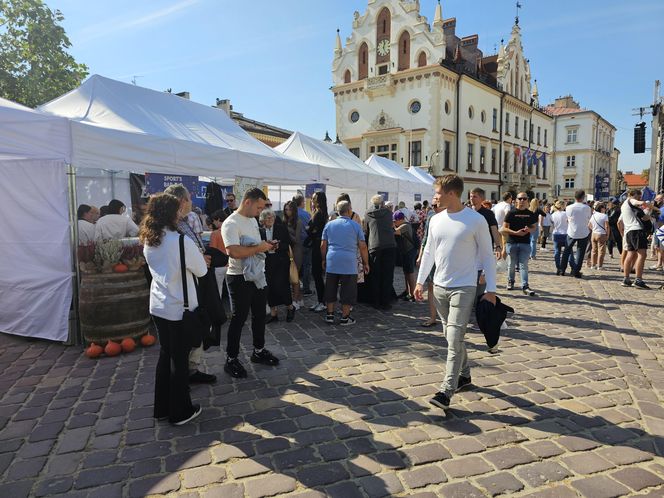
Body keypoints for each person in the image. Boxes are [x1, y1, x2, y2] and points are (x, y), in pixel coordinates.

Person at [414, 174, 496, 410]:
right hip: (439, 287)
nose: (434, 197)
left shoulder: (475, 220)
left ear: (451, 194)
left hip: (465, 286)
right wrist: (420, 282)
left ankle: (446, 390)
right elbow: (429, 251)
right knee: (453, 337)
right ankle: (465, 375)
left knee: (453, 338)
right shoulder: (435, 220)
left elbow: (488, 256)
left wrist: (491, 289)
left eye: (437, 193)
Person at [140, 193, 208, 425]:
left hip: (158, 305)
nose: (181, 213)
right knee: (179, 360)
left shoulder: (150, 239)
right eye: (178, 209)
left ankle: (162, 408)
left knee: (165, 355)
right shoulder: (180, 241)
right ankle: (180, 411)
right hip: (180, 307)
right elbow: (202, 271)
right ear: (171, 213)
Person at [221, 188, 280, 377]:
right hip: (238, 277)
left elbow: (254, 246)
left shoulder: (253, 220)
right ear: (248, 202)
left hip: (256, 275)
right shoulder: (231, 223)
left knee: (259, 315)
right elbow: (234, 252)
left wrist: (266, 246)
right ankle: (231, 359)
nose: (261, 211)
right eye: (259, 206)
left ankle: (258, 351)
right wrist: (260, 248)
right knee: (238, 319)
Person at [164, 184, 217, 384]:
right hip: (184, 288)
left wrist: (201, 257)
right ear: (182, 201)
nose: (192, 203)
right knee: (190, 329)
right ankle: (185, 372)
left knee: (200, 324)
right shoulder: (171, 229)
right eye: (190, 198)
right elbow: (178, 258)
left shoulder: (184, 221)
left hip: (194, 283)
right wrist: (200, 261)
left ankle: (192, 369)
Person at [321, 200, 369, 325]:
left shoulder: (329, 225)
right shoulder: (355, 225)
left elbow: (323, 245)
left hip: (332, 259)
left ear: (338, 211)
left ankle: (330, 315)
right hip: (349, 262)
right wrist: (365, 262)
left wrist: (323, 259)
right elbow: (363, 246)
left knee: (330, 288)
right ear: (349, 210)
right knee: (347, 290)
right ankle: (345, 317)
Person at [260, 209, 295, 323]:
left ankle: (290, 307)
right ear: (263, 220)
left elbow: (288, 244)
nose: (271, 220)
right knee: (270, 287)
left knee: (282, 285)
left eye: (272, 218)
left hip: (281, 261)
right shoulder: (260, 231)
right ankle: (273, 313)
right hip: (267, 262)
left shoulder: (281, 228)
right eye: (268, 218)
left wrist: (278, 245)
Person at [364, 194, 397, 310]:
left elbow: (366, 231)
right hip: (389, 245)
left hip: (374, 246)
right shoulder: (388, 213)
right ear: (382, 203)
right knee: (387, 275)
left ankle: (375, 301)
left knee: (375, 275)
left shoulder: (367, 214)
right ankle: (385, 301)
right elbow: (391, 227)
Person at [502, 192, 538, 295]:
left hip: (525, 243)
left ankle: (525, 286)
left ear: (527, 200)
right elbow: (504, 228)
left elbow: (534, 227)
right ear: (516, 200)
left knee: (524, 265)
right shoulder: (511, 212)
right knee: (511, 265)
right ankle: (510, 281)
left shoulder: (530, 214)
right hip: (512, 242)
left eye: (524, 199)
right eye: (520, 198)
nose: (522, 200)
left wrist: (528, 229)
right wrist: (515, 232)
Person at [416, 191, 443, 327]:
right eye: (432, 205)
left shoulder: (452, 216)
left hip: (445, 259)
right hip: (432, 256)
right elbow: (425, 238)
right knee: (431, 287)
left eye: (436, 204)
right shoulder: (431, 217)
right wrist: (421, 255)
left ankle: (447, 318)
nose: (434, 207)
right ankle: (433, 317)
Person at [469, 188, 502, 296]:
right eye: (470, 196)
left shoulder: (488, 213)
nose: (472, 198)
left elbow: (494, 230)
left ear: (482, 198)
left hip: (483, 248)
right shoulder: (466, 212)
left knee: (481, 275)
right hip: (469, 248)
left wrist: (498, 246)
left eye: (475, 196)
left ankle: (478, 298)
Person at [620, 189, 652, 288]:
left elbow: (645, 218)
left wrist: (649, 213)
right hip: (637, 230)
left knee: (630, 254)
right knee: (642, 254)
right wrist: (646, 204)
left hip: (629, 231)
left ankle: (626, 279)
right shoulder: (631, 200)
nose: (640, 198)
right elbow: (639, 202)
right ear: (634, 195)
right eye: (639, 196)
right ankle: (638, 279)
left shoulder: (624, 205)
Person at [560, 190, 592, 279]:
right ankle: (576, 271)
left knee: (566, 251)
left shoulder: (569, 207)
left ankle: (562, 270)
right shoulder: (587, 208)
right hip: (583, 232)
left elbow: (567, 218)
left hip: (572, 231)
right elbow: (589, 218)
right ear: (583, 197)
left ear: (575, 197)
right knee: (580, 253)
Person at [307, 191, 328, 312]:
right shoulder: (318, 212)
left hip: (317, 245)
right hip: (316, 244)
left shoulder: (319, 213)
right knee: (317, 275)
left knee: (317, 274)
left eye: (314, 198)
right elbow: (311, 229)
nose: (312, 199)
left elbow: (311, 229)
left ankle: (322, 301)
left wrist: (311, 230)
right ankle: (320, 300)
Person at [209, 210, 232, 313]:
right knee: (231, 291)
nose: (213, 223)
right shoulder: (230, 231)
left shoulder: (215, 234)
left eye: (214, 220)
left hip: (219, 265)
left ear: (218, 219)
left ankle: (218, 312)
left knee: (218, 289)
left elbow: (212, 249)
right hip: (231, 263)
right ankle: (233, 311)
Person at [282, 200, 303, 309]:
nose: (287, 211)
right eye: (286, 209)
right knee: (290, 277)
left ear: (294, 210)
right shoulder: (284, 221)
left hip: (296, 250)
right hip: (287, 251)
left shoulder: (298, 222)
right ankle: (298, 299)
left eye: (289, 209)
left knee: (295, 277)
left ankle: (296, 300)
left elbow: (297, 239)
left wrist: (287, 232)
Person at [394, 211, 417, 301]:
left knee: (410, 272)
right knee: (406, 272)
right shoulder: (404, 224)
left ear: (400, 219)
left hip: (410, 251)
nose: (394, 223)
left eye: (395, 221)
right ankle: (408, 292)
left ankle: (413, 294)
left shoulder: (405, 225)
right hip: (406, 251)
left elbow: (395, 232)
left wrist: (391, 225)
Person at [294, 194, 312, 296]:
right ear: (301, 203)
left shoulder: (292, 213)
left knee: (295, 266)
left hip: (295, 244)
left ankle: (294, 287)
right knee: (307, 266)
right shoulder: (306, 214)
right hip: (306, 243)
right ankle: (306, 288)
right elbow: (309, 228)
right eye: (304, 202)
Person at [551, 200, 575, 275]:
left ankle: (559, 268)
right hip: (566, 234)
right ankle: (573, 267)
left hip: (556, 234)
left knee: (557, 252)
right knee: (569, 252)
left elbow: (552, 224)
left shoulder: (553, 215)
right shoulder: (566, 214)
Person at [492, 192, 513, 260]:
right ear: (509, 198)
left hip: (496, 227)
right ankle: (502, 262)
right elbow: (508, 216)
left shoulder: (498, 204)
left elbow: (492, 212)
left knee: (499, 246)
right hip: (503, 228)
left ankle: (499, 260)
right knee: (505, 246)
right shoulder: (507, 205)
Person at [589, 202, 609, 270]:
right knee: (601, 251)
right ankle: (600, 266)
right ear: (601, 209)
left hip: (594, 234)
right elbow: (607, 226)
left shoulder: (593, 215)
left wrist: (594, 229)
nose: (605, 209)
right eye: (604, 208)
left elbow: (589, 225)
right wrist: (607, 235)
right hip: (602, 234)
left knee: (594, 250)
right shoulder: (604, 216)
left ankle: (593, 265)